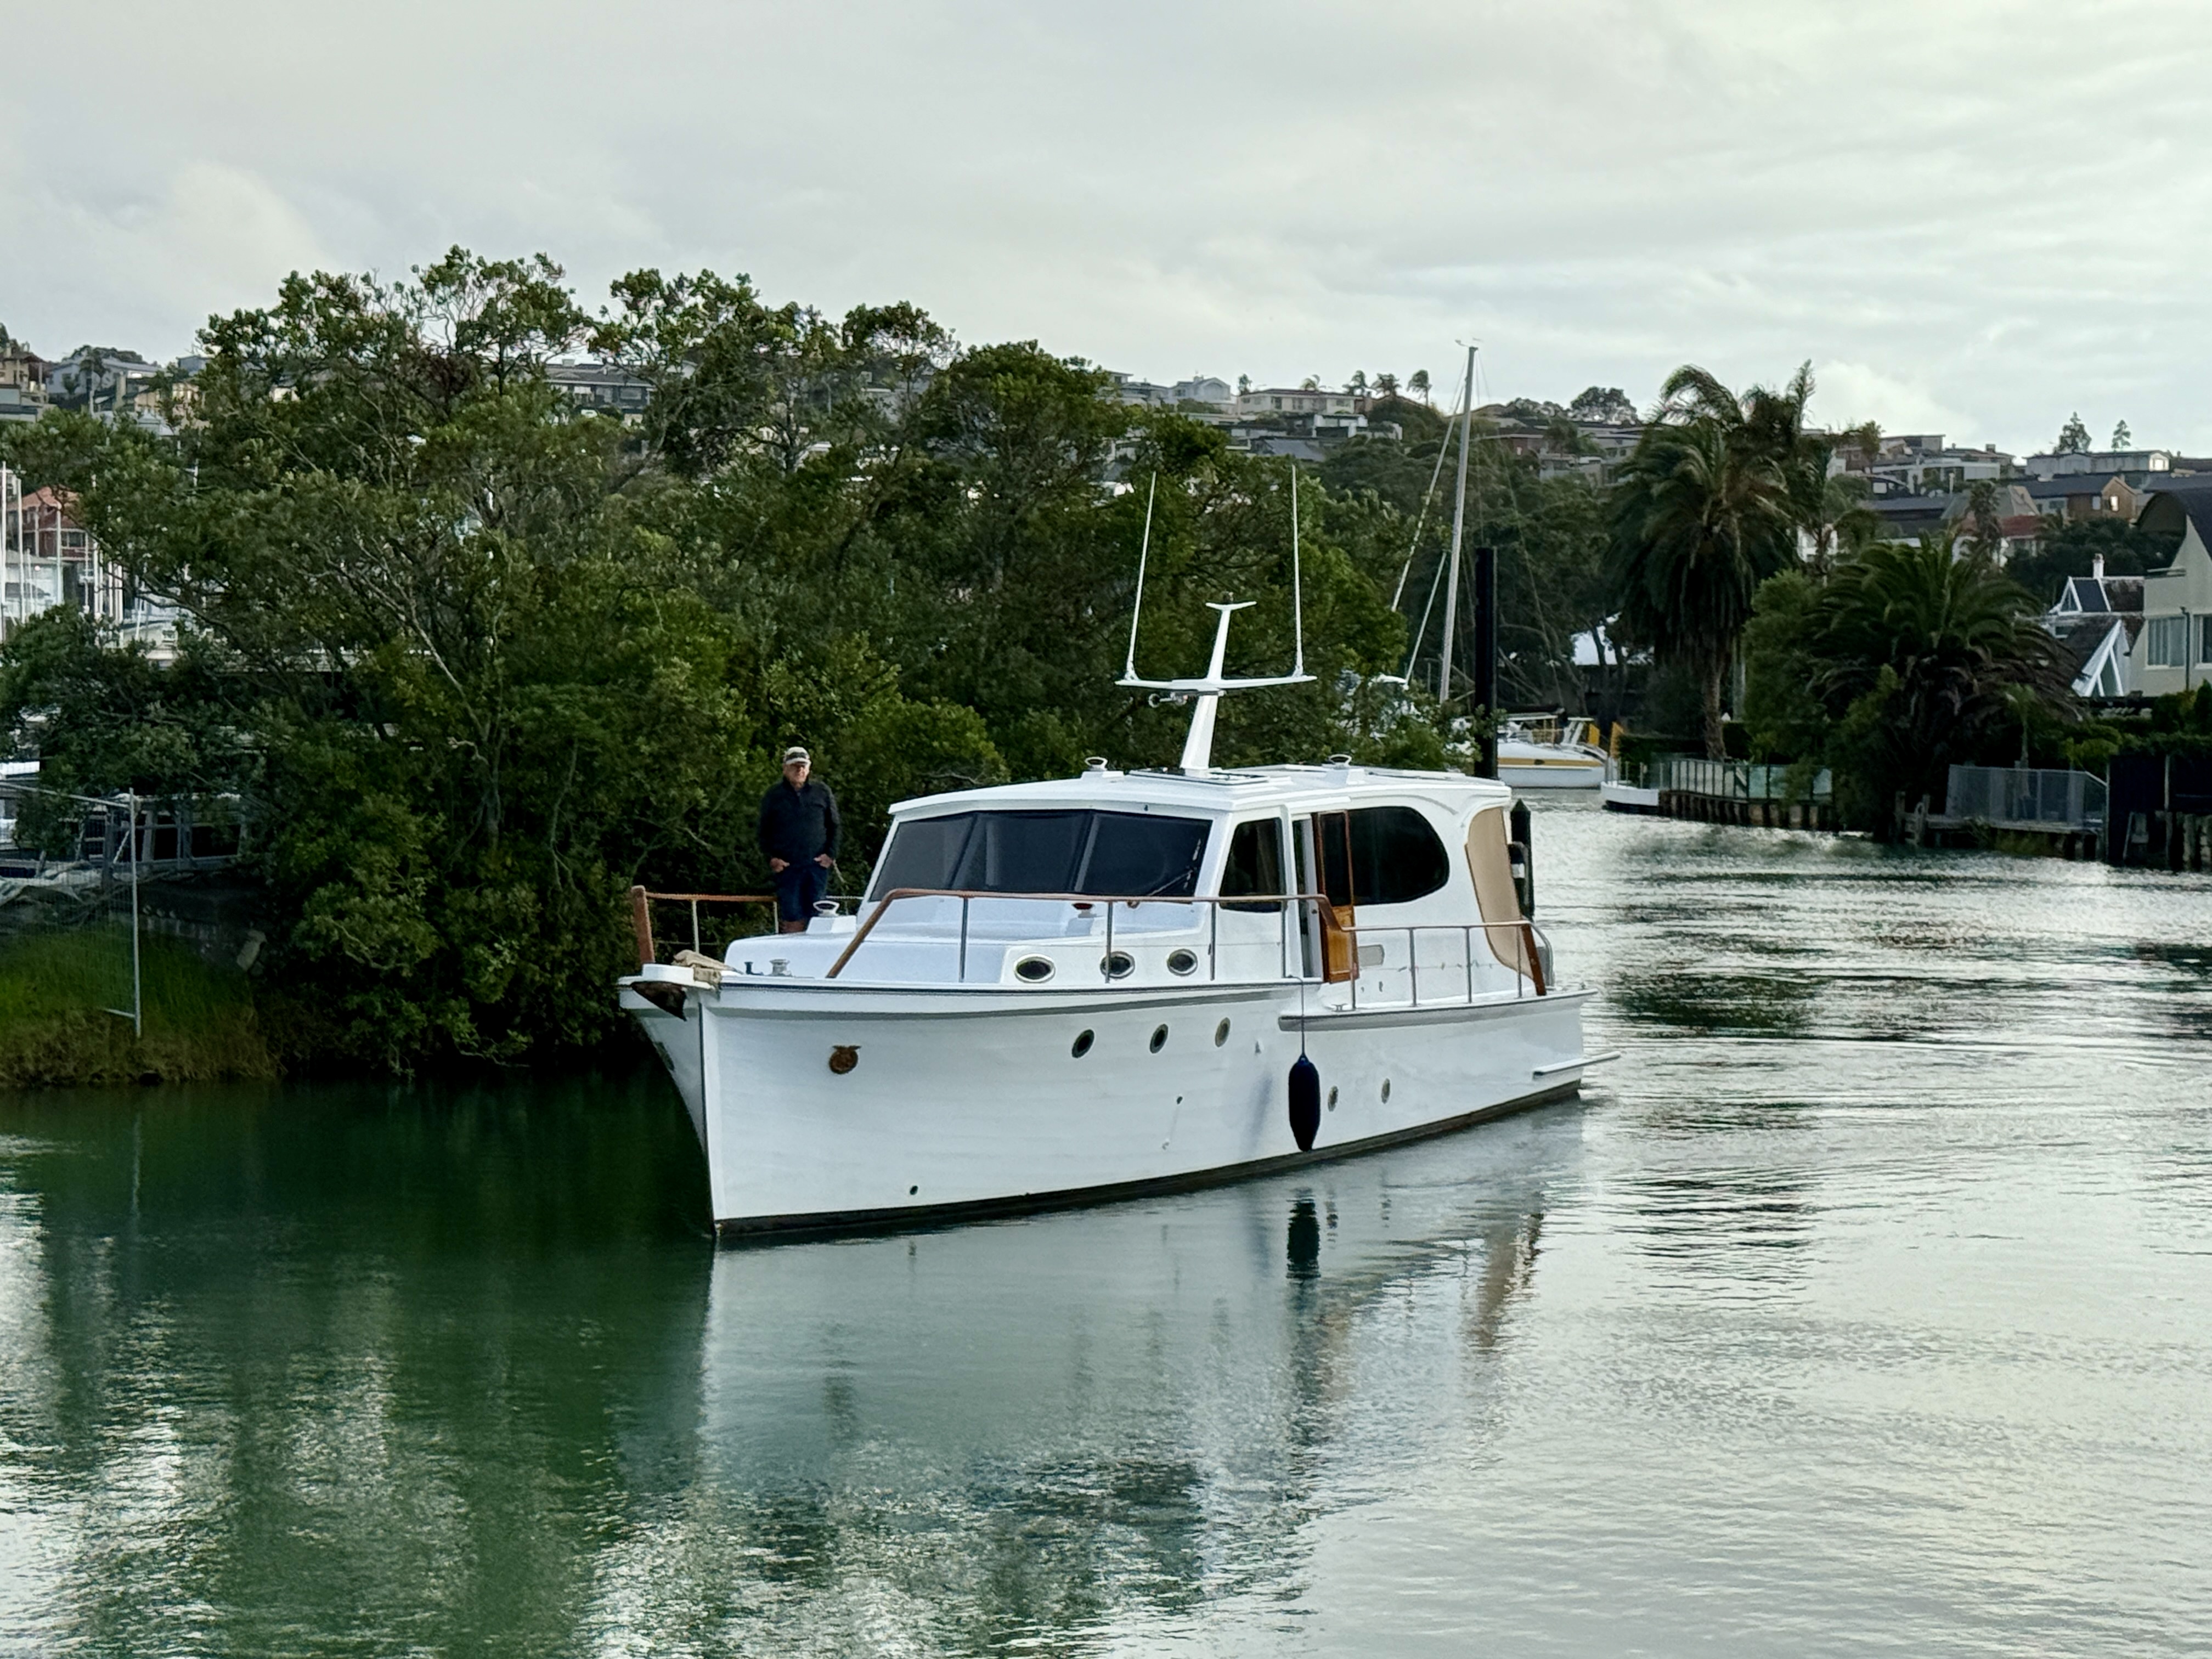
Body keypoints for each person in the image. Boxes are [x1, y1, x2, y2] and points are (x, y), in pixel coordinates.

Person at [758, 746, 840, 934]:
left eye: (803, 766)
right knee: (792, 916)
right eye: (795, 766)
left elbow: (834, 825)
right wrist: (772, 859)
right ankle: (793, 952)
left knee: (819, 917)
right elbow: (764, 832)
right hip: (788, 869)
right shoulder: (774, 795)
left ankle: (818, 953)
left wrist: (831, 855)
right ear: (785, 769)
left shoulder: (822, 792)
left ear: (809, 768)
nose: (800, 770)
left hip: (816, 867)